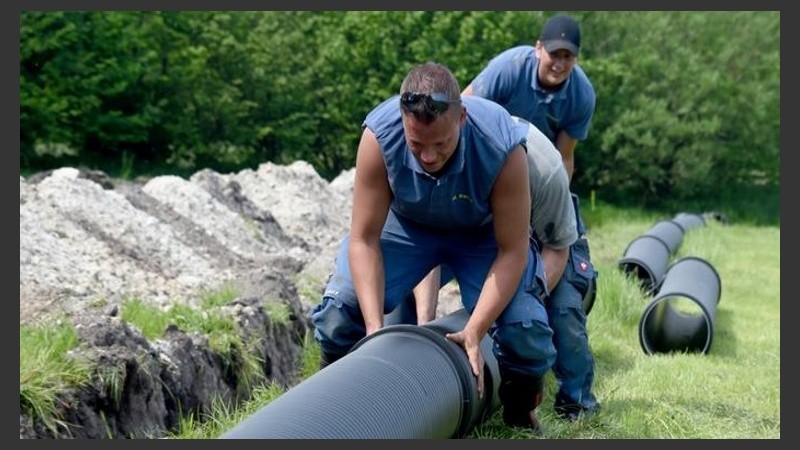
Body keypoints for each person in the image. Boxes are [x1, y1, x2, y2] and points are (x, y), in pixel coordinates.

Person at [309, 62, 556, 433]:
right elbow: (363, 239)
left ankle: (519, 411)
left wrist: (474, 330)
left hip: (480, 235)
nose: (428, 156)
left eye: (440, 144)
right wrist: (374, 330)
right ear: (402, 122)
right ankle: (336, 406)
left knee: (526, 331)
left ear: (462, 119)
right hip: (408, 228)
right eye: (416, 144)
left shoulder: (501, 146)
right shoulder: (379, 136)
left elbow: (513, 253)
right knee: (339, 311)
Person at [462, 13, 601, 422]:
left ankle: (577, 401)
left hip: (545, 187)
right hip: (494, 185)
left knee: (566, 305)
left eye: (568, 57)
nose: (560, 63)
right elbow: (464, 112)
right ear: (538, 48)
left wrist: (546, 218)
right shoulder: (508, 70)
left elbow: (565, 157)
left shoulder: (581, 94)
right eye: (554, 53)